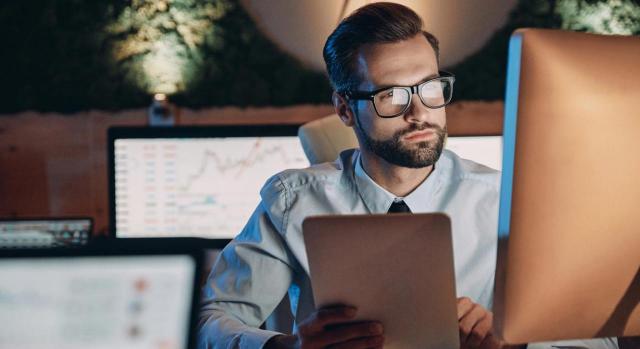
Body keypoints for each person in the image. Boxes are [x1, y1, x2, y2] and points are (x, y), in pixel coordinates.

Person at [198, 3, 617, 349]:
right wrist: (287, 347)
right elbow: (210, 321)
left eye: (429, 87)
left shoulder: (507, 203)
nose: (419, 113)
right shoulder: (292, 199)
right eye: (390, 95)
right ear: (344, 109)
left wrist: (515, 345)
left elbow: (599, 340)